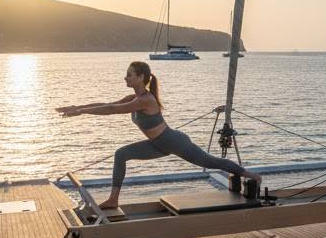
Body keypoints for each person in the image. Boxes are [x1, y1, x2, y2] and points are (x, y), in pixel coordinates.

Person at [57, 60, 259, 209]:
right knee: (121, 154)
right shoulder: (133, 97)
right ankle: (113, 199)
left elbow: (112, 109)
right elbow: (106, 104)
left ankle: (252, 176)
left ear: (141, 77)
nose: (125, 77)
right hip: (157, 144)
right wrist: (77, 107)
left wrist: (81, 112)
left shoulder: (145, 99)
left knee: (211, 161)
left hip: (174, 142)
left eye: (129, 74)